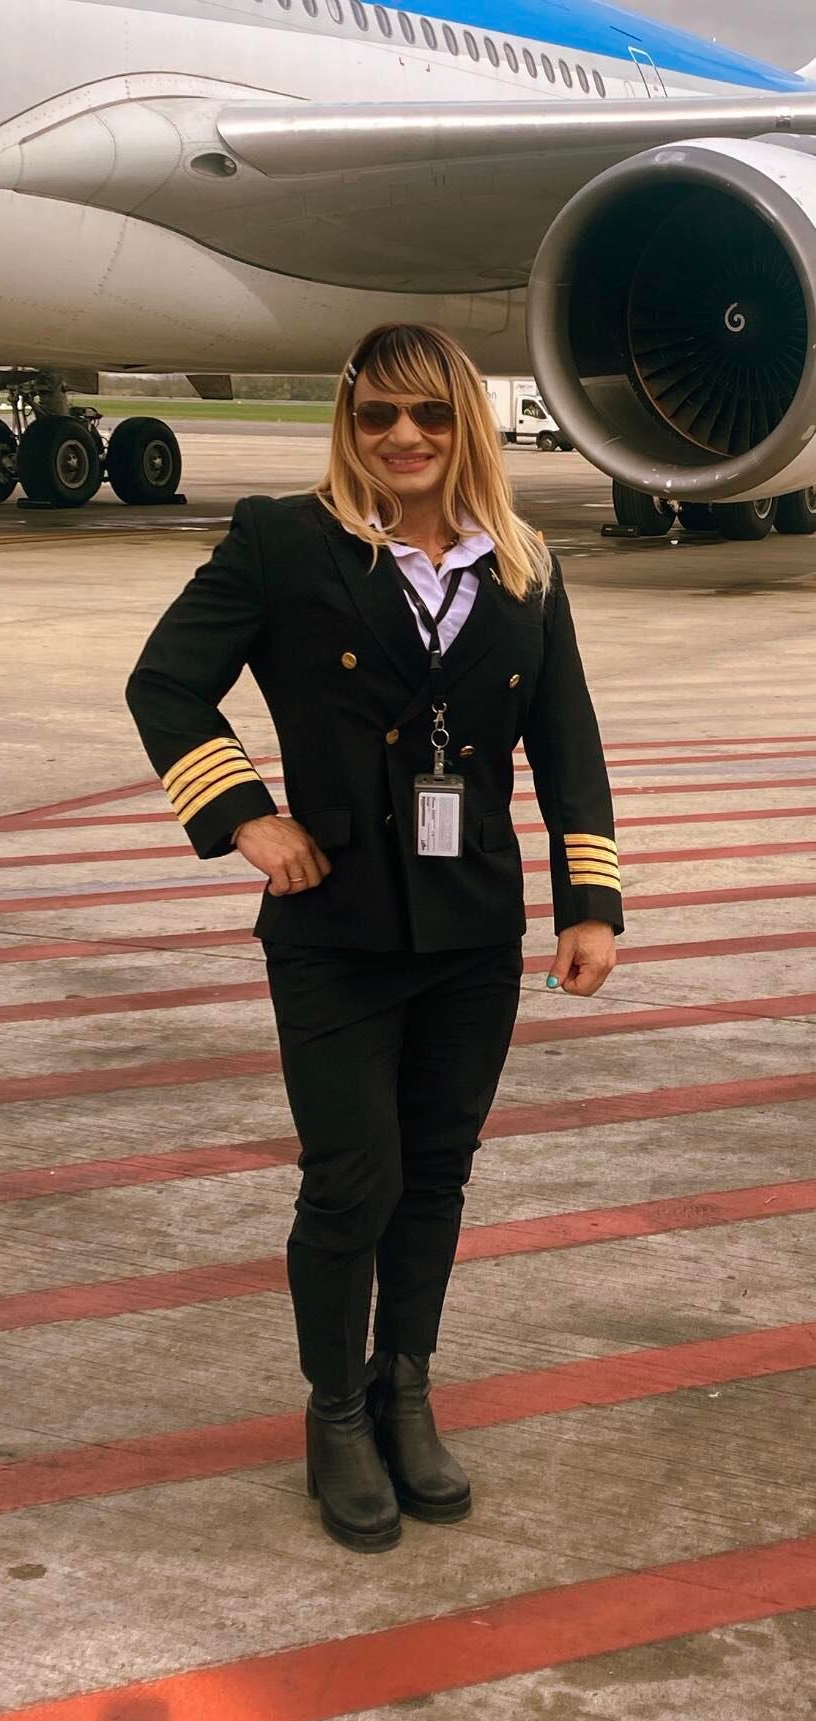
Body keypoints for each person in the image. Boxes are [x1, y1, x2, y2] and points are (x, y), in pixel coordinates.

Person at [126, 322, 623, 1555]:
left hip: (469, 927)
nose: (403, 438)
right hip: (335, 926)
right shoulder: (283, 543)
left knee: (438, 1172)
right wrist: (247, 818)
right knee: (354, 1178)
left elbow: (568, 740)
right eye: (376, 417)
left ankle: (407, 1386)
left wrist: (589, 901)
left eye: (431, 416)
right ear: (347, 426)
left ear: (467, 422)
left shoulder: (523, 564)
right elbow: (164, 683)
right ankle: (336, 1411)